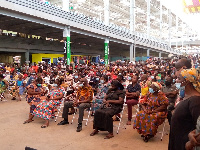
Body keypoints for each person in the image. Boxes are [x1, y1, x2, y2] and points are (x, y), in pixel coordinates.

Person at [168, 67, 200, 150]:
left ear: (187, 81)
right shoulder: (186, 97)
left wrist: (189, 143)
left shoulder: (195, 101)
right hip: (178, 141)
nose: (176, 81)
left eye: (179, 78)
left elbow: (197, 127)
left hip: (184, 144)